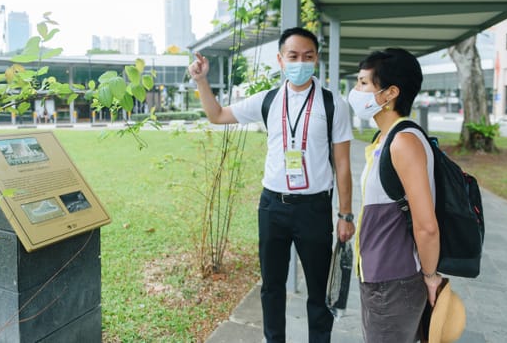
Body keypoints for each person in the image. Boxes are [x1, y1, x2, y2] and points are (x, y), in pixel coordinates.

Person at [188, 27, 355, 343]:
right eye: (293, 56)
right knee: (271, 286)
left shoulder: (334, 104)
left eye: (307, 56)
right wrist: (201, 81)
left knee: (319, 291)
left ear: (316, 59)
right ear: (280, 60)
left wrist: (345, 215)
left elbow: (343, 164)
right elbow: (217, 115)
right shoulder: (268, 100)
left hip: (315, 208)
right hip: (273, 206)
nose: (300, 63)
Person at [348, 48, 444, 342]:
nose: (356, 91)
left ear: (390, 93)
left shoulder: (403, 142)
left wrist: (430, 277)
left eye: (364, 83)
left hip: (394, 280)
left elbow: (426, 226)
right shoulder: (386, 139)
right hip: (380, 275)